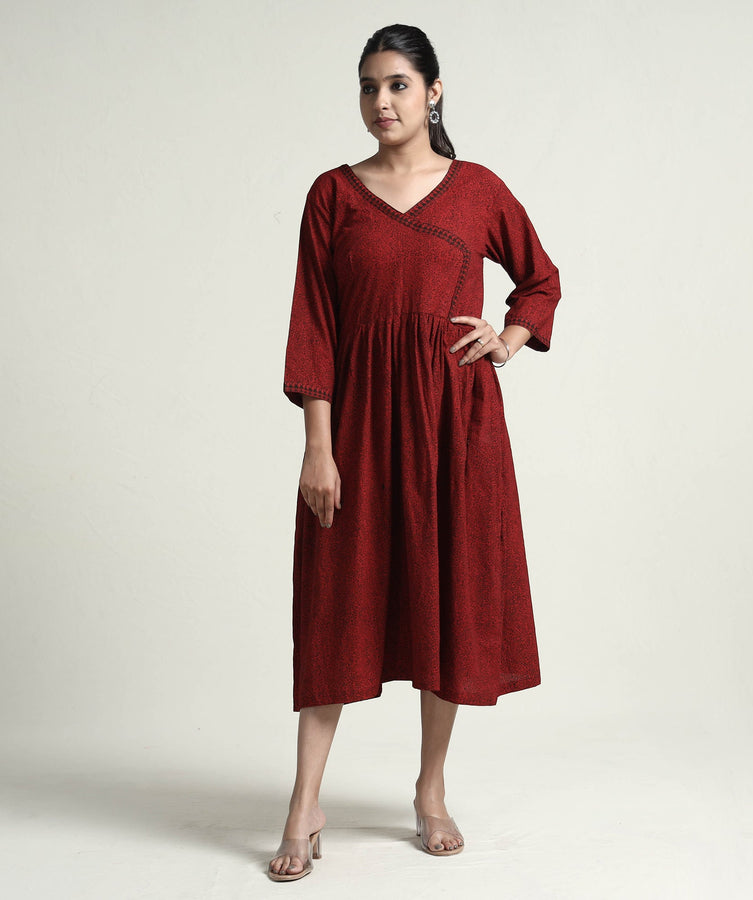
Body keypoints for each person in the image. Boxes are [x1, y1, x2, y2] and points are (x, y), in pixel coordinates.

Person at [269, 23, 562, 882]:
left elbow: (540, 279)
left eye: (397, 84)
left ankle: (431, 789)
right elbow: (314, 323)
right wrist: (317, 446)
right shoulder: (332, 195)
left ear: (433, 92)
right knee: (336, 602)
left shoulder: (477, 190)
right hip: (357, 427)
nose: (380, 102)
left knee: (446, 597)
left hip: (452, 425)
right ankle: (304, 804)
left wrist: (508, 338)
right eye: (368, 86)